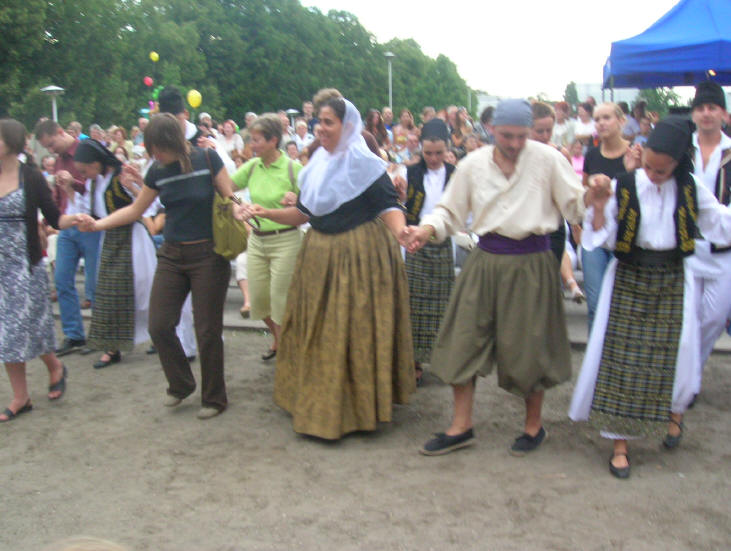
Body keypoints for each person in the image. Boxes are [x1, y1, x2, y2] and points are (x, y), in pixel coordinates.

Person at [403, 99, 588, 456]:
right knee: (461, 339)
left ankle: (533, 428)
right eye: (507, 136)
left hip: (532, 262)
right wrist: (427, 230)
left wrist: (593, 196)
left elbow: (573, 207)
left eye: (522, 136)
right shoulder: (472, 165)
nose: (516, 143)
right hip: (484, 260)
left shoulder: (549, 160)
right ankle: (461, 426)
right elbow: (449, 211)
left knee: (530, 348)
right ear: (492, 130)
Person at [235, 93, 415, 439]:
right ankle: (319, 403)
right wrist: (266, 212)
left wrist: (401, 232)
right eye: (318, 122)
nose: (320, 128)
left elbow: (387, 205)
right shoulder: (316, 163)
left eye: (328, 122)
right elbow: (304, 213)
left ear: (347, 126)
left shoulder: (365, 164)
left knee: (353, 332)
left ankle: (356, 410)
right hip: (318, 255)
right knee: (319, 331)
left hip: (359, 256)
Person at [569, 116, 731, 478]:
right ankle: (620, 444)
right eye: (649, 166)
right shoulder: (623, 184)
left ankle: (674, 414)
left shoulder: (689, 187)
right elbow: (600, 238)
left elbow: (719, 221)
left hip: (673, 277)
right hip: (629, 276)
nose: (654, 174)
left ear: (678, 163)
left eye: (662, 170)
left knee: (677, 352)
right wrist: (596, 205)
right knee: (622, 359)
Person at [77, 113, 238, 420]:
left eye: (158, 148)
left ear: (172, 141)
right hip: (172, 255)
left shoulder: (207, 158)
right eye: (151, 150)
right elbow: (136, 210)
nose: (155, 155)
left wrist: (242, 210)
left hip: (208, 255)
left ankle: (214, 397)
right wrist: (97, 225)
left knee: (207, 331)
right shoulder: (157, 170)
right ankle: (181, 383)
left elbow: (229, 196)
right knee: (159, 325)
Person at [0, 119, 78, 422]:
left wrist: (79, 218)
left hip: (23, 265)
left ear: (11, 143)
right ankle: (22, 397)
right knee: (6, 332)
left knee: (26, 326)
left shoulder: (30, 177)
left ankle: (54, 367)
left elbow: (56, 218)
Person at [72, 139, 157, 369]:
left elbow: (148, 206)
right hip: (109, 237)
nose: (85, 174)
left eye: (85, 169)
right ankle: (112, 346)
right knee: (110, 293)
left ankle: (160, 335)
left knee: (144, 289)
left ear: (97, 162)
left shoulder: (122, 175)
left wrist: (133, 186)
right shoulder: (96, 181)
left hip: (132, 238)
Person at [231, 114, 303, 360]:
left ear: (273, 140)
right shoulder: (251, 166)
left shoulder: (294, 169)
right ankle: (280, 339)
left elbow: (311, 205)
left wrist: (297, 200)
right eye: (251, 139)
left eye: (257, 139)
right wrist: (238, 206)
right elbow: (227, 188)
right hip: (257, 240)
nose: (252, 144)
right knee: (259, 301)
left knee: (281, 300)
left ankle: (287, 353)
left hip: (286, 240)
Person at [34, 119, 101, 356]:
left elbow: (97, 186)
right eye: (47, 148)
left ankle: (99, 335)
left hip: (92, 224)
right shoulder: (61, 160)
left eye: (52, 144)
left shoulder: (87, 150)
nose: (51, 151)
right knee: (62, 280)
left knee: (95, 285)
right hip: (67, 225)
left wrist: (74, 183)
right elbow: (57, 195)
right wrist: (49, 217)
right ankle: (74, 334)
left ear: (61, 133)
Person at [686, 81, 731, 392]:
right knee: (687, 318)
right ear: (694, 113)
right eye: (700, 108)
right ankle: (688, 381)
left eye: (712, 108)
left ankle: (692, 371)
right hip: (686, 245)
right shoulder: (681, 148)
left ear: (724, 114)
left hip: (724, 247)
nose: (706, 114)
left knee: (713, 318)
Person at [404, 119, 456, 386]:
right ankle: (413, 362)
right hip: (414, 243)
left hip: (443, 243)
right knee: (413, 306)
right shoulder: (409, 173)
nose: (434, 158)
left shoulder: (456, 174)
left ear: (447, 149)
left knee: (444, 307)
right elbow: (399, 206)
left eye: (439, 153)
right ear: (421, 150)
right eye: (428, 153)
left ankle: (442, 361)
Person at [582, 103, 633, 331]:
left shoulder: (635, 153)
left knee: (622, 305)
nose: (601, 123)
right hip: (595, 234)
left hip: (625, 236)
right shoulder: (592, 155)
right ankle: (596, 359)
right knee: (595, 303)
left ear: (621, 120)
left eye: (606, 117)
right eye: (597, 119)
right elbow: (583, 197)